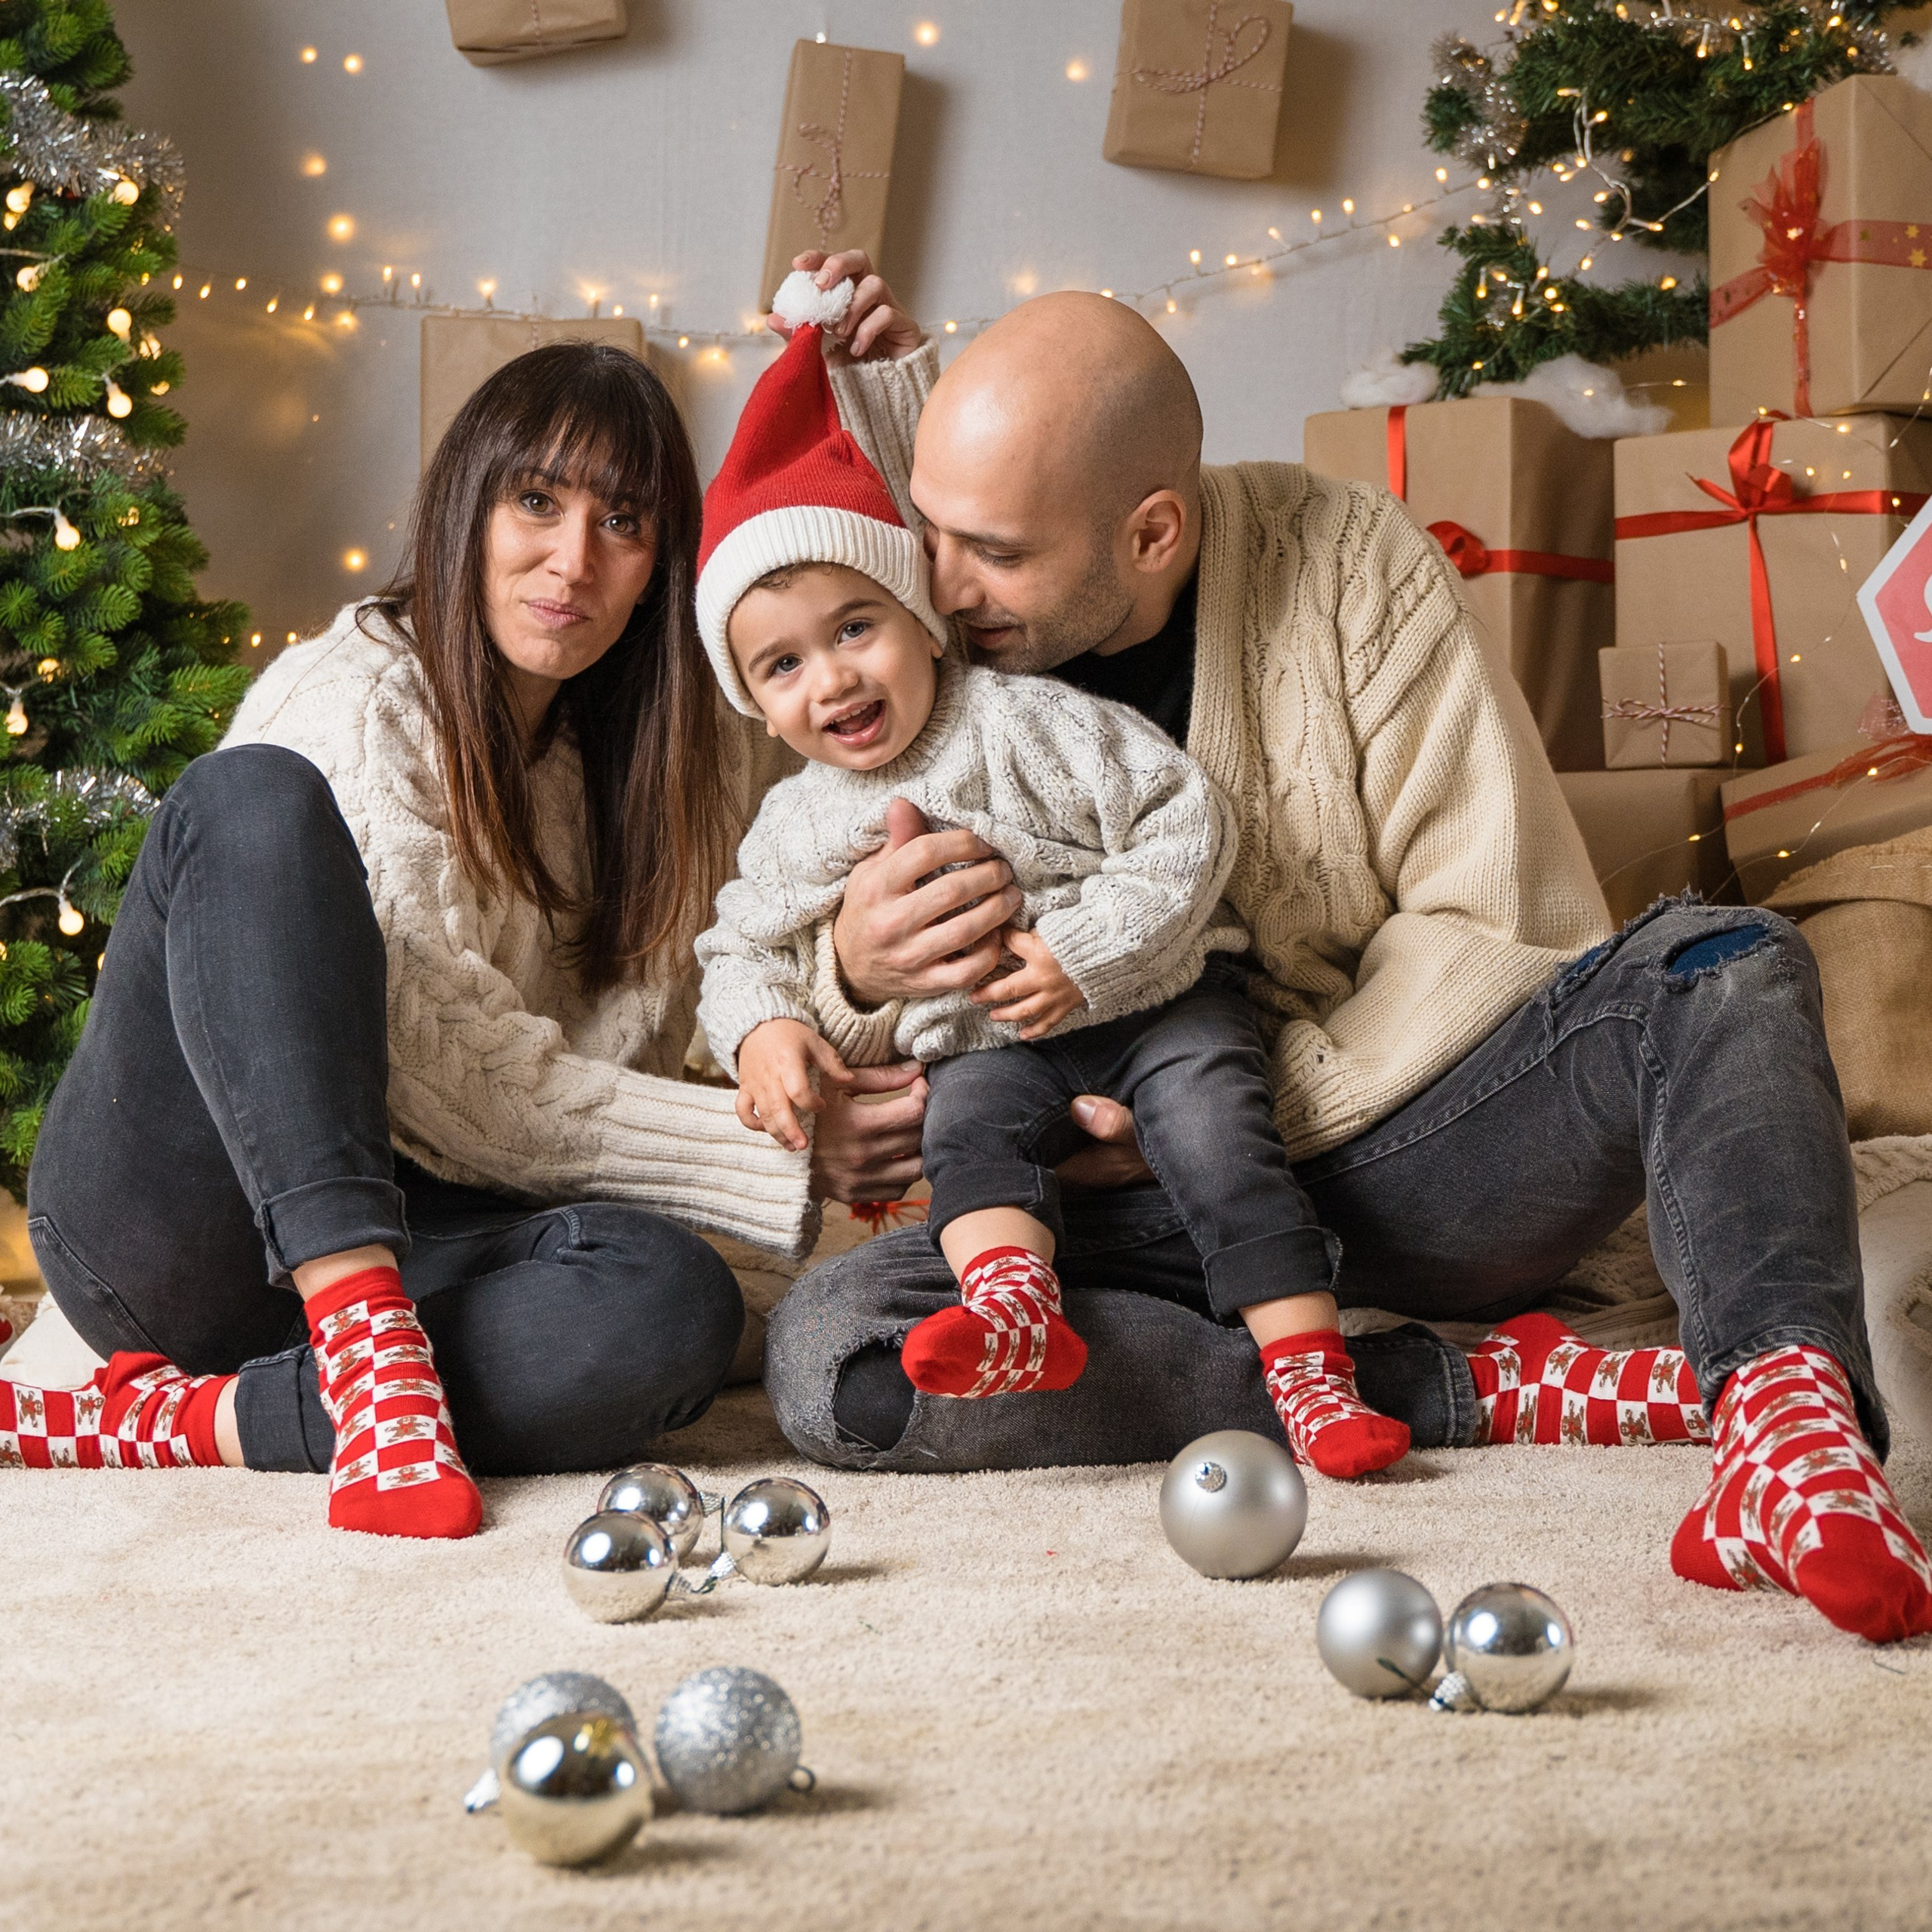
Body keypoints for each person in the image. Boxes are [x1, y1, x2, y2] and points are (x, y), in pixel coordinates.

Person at [759, 254, 1932, 1644]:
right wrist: (856, 974)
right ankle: (1456, 1386)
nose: (943, 591)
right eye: (933, 535)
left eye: (996, 555)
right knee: (840, 1355)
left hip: (1388, 1161)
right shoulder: (920, 639)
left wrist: (1215, 1114)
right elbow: (795, 939)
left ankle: (1785, 1426)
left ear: (1151, 533)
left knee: (1724, 960)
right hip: (1102, 1215)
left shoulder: (1348, 563)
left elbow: (1497, 930)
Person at [1, 341, 898, 1536]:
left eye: (622, 522)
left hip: (429, 1226)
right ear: (467, 505)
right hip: (188, 1221)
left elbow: (881, 651)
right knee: (250, 797)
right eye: (537, 501)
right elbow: (441, 1079)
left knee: (672, 1300)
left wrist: (881, 396)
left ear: (661, 567)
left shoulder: (677, 746)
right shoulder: (355, 696)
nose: (572, 561)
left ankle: (204, 1420)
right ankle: (365, 1350)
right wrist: (777, 1154)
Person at [690, 308, 1407, 1478]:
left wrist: (1088, 949)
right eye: (783, 665)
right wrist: (763, 1030)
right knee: (967, 1135)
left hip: (1156, 1001)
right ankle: (1015, 1310)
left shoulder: (1023, 720)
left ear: (923, 622)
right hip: (991, 1042)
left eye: (857, 628)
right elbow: (738, 949)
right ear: (757, 706)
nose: (833, 679)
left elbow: (1186, 818)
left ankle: (1311, 1371)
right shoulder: (798, 819)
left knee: (1220, 1131)